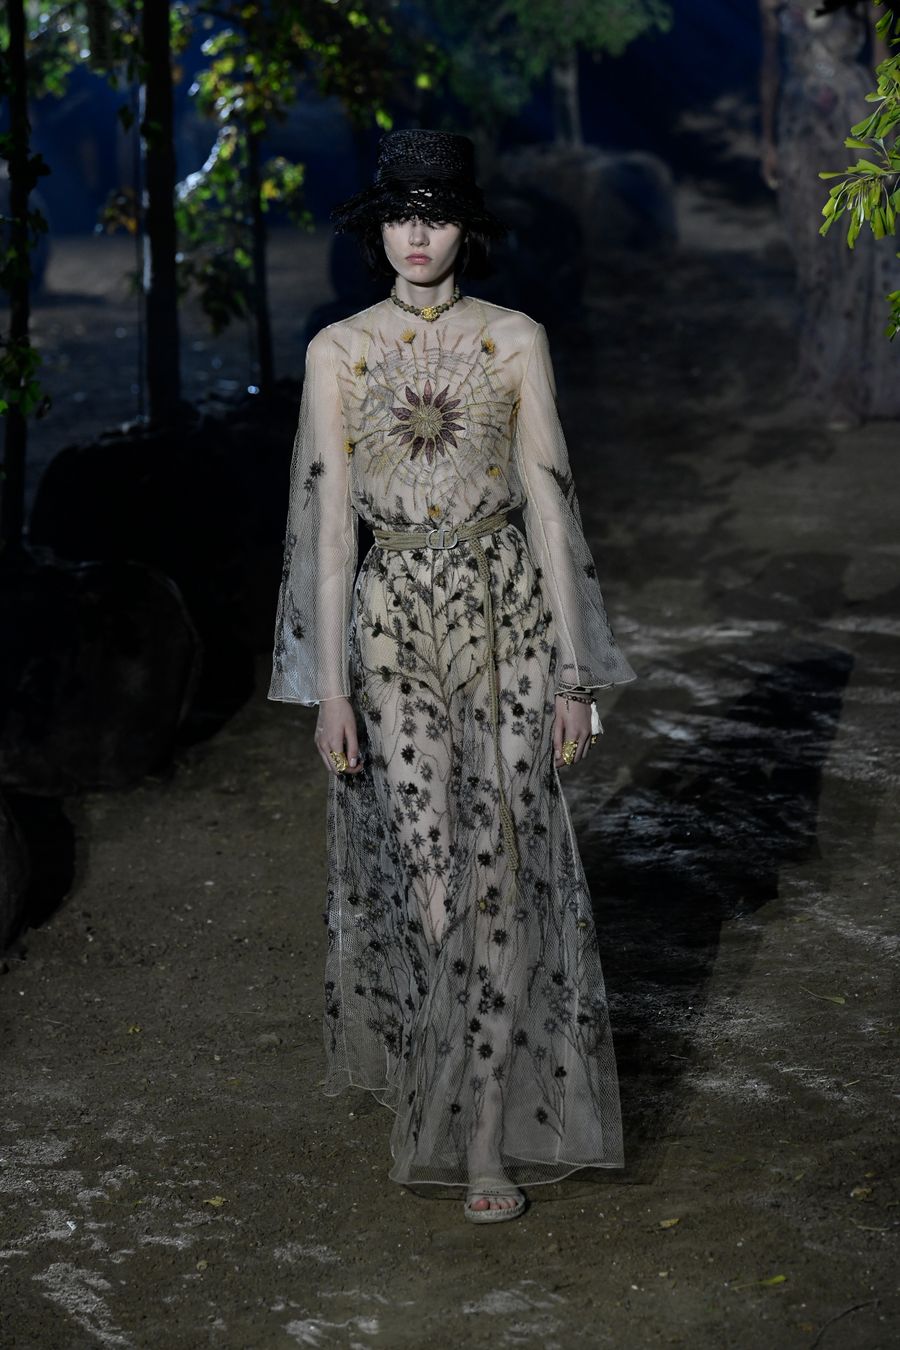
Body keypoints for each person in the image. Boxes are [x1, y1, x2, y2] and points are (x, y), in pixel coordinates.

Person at [268, 129, 637, 1225]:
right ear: (378, 228)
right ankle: (468, 1088)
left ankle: (481, 1142)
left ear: (466, 226)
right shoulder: (338, 350)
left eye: (435, 213)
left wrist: (576, 673)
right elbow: (327, 526)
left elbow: (551, 501)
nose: (417, 234)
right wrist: (329, 686)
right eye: (399, 214)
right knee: (437, 878)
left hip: (508, 613)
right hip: (391, 631)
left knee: (503, 871)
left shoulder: (515, 339)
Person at [759, 0, 900, 428]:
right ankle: (827, 369)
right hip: (799, 127)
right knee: (814, 258)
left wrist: (889, 143)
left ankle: (849, 388)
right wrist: (766, 140)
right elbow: (770, 69)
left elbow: (883, 65)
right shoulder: (773, 3)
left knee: (855, 255)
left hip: (852, 125)